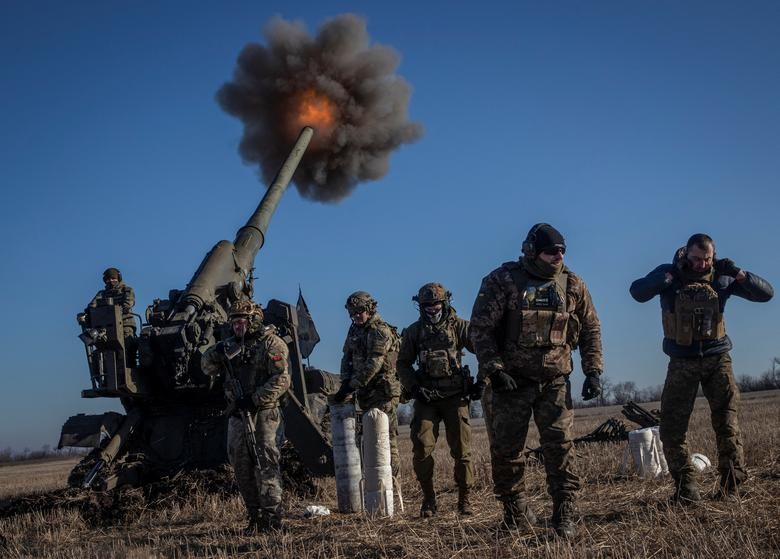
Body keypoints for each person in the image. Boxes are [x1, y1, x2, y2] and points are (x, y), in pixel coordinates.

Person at [469, 223, 603, 538]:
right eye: (551, 251)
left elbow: (591, 328)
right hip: (511, 382)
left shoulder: (573, 284)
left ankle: (564, 513)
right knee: (507, 451)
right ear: (532, 251)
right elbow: (480, 329)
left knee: (560, 447)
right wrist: (494, 369)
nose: (558, 256)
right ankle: (515, 513)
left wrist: (593, 370)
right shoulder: (503, 280)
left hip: (555, 380)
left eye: (562, 251)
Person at [629, 233, 773, 501]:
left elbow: (766, 294)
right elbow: (637, 292)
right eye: (696, 259)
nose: (701, 264)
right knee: (672, 428)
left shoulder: (721, 277)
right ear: (686, 253)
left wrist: (738, 273)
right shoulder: (670, 274)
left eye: (707, 259)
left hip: (717, 359)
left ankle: (732, 487)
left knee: (727, 424)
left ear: (713, 256)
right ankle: (687, 489)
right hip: (682, 361)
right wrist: (667, 277)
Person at [201, 300, 290, 533]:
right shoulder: (230, 346)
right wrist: (216, 351)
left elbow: (281, 379)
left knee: (266, 464)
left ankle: (272, 518)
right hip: (238, 414)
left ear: (253, 321)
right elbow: (206, 366)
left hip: (264, 413)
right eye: (234, 322)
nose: (237, 326)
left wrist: (255, 398)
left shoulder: (271, 343)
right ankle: (255, 516)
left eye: (241, 322)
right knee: (240, 466)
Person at [397, 282, 477, 517]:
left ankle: (465, 500)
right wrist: (413, 387)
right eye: (427, 305)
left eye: (436, 304)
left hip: (455, 397)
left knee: (462, 451)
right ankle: (429, 499)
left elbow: (484, 347)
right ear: (420, 306)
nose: (432, 309)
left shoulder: (459, 326)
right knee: (421, 449)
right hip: (427, 397)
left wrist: (482, 381)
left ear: (445, 303)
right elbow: (402, 363)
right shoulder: (414, 331)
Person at [332, 291, 402, 477]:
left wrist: (352, 385)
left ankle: (393, 484)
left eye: (360, 311)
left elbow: (374, 364)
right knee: (367, 440)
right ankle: (372, 482)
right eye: (353, 313)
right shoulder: (354, 330)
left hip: (383, 393)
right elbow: (346, 357)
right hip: (365, 393)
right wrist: (344, 382)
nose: (356, 316)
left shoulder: (380, 331)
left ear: (370, 309)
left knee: (385, 440)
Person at [78, 267, 136, 339]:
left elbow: (128, 304)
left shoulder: (127, 290)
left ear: (119, 278)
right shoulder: (102, 294)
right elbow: (92, 306)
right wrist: (85, 315)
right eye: (108, 279)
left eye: (113, 278)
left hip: (125, 323)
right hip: (106, 325)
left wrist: (116, 310)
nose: (111, 281)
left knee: (127, 342)